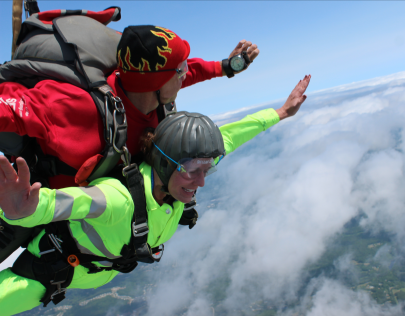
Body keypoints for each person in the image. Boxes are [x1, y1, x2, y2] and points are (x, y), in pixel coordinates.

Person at [0, 75, 311, 315]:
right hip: (44, 275)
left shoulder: (181, 173)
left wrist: (282, 112)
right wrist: (23, 210)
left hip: (86, 274)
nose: (201, 181)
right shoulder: (120, 201)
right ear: (163, 162)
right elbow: (71, 203)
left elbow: (232, 135)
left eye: (209, 167)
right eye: (193, 169)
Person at [0, 22, 259, 189]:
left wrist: (226, 67)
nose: (185, 74)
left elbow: (189, 73)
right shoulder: (73, 105)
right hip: (56, 216)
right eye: (179, 69)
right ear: (155, 81)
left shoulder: (149, 90)